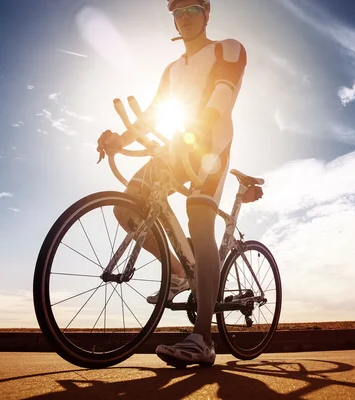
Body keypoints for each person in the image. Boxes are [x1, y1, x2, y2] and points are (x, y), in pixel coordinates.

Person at [97, 0, 247, 367]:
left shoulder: (227, 47)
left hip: (210, 146)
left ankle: (204, 339)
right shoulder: (171, 69)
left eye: (193, 9)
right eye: (178, 13)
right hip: (177, 147)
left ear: (207, 14)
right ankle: (179, 274)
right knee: (125, 206)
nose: (184, 18)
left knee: (199, 220)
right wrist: (121, 140)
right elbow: (151, 115)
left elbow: (223, 92)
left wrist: (199, 125)